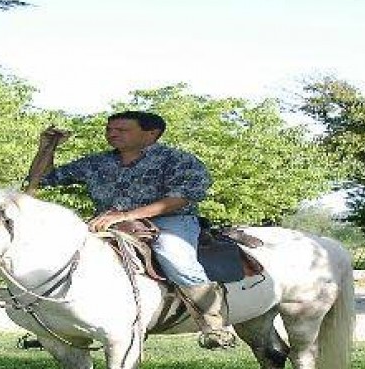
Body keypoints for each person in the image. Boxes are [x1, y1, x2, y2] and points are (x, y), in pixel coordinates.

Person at [35, 110, 236, 349]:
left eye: (122, 130)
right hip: (109, 223)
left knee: (175, 256)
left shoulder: (178, 160)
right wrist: (47, 148)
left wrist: (127, 215)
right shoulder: (96, 162)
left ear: (152, 134)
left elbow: (183, 197)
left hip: (169, 222)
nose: (112, 134)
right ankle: (55, 321)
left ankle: (215, 325)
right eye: (110, 129)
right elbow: (40, 179)